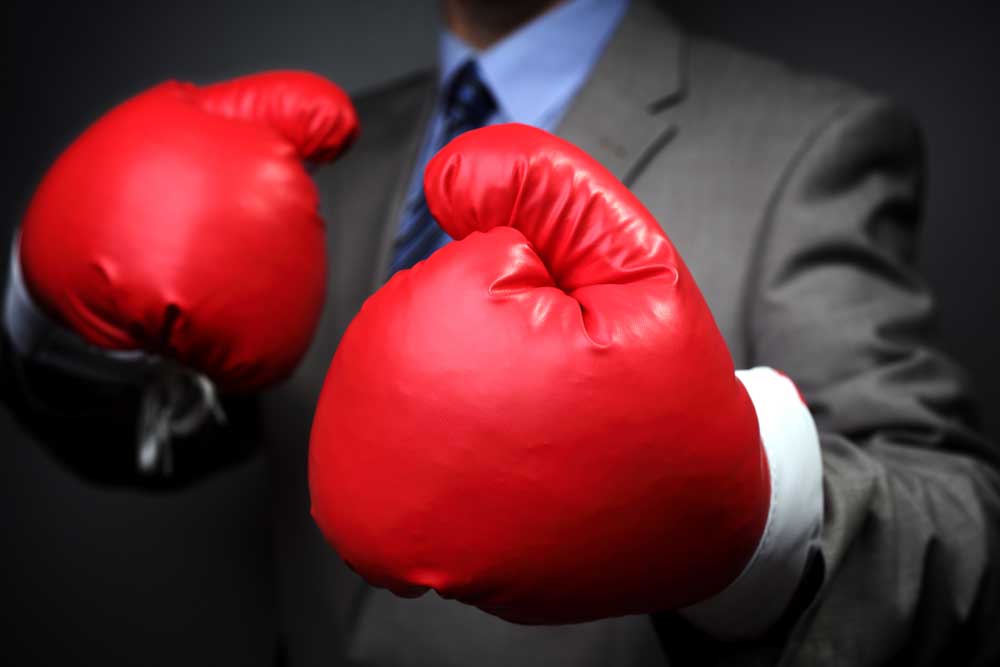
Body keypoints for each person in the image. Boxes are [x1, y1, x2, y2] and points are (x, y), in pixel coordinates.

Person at [3, 0, 998, 665]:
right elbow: (149, 446)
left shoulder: (804, 140)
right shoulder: (317, 155)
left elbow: (958, 523)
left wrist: (748, 514)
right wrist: (51, 298)